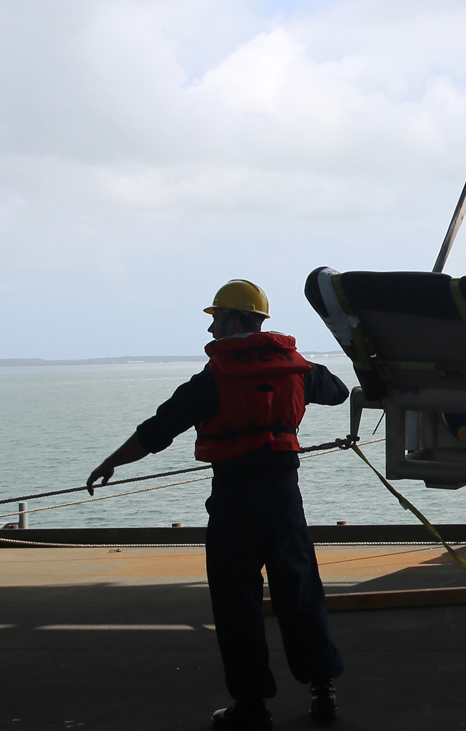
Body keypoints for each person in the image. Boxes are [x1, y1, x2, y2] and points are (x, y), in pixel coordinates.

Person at [87, 279, 347, 729]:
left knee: (236, 601)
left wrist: (113, 461)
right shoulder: (298, 369)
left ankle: (252, 706)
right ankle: (323, 692)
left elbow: (157, 430)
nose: (211, 331)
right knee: (299, 591)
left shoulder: (213, 378)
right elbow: (340, 391)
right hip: (284, 496)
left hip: (234, 498)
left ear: (232, 319)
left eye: (215, 320)